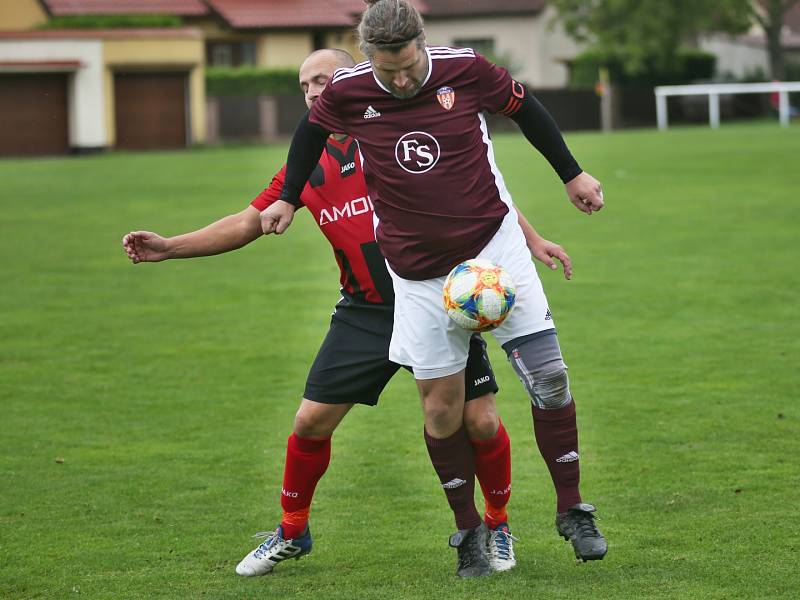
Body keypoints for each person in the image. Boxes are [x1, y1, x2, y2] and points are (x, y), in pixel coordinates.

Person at [122, 48, 574, 578]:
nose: (313, 91)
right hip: (364, 311)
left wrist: (533, 239)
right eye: (304, 85)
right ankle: (292, 531)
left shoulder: (391, 132)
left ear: (353, 78)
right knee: (310, 421)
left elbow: (479, 195)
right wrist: (170, 246)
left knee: (481, 420)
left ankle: (496, 525)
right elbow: (249, 221)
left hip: (438, 298)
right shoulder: (306, 165)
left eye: (322, 79)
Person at [262, 0, 609, 575]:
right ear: (368, 54)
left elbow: (530, 111)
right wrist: (285, 196)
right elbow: (307, 135)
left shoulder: (466, 69)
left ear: (422, 43)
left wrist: (572, 173)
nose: (399, 79)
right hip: (416, 271)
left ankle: (573, 508)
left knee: (548, 377)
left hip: (493, 251)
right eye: (385, 69)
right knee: (442, 409)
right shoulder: (347, 90)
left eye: (407, 65)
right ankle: (468, 530)